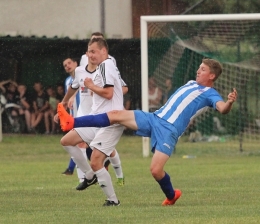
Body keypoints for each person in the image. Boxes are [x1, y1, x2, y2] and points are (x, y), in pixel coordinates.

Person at [57, 58, 238, 206]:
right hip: (154, 118)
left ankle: (171, 195)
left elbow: (222, 108)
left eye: (203, 69)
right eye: (199, 67)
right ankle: (72, 121)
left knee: (155, 170)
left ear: (212, 75)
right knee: (115, 114)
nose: (198, 70)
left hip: (169, 131)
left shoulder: (211, 93)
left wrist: (229, 102)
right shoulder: (191, 83)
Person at [56, 38, 127, 206]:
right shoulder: (92, 71)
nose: (90, 55)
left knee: (96, 160)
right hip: (96, 120)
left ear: (104, 51)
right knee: (66, 141)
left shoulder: (107, 65)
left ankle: (113, 200)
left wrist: (91, 86)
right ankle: (90, 175)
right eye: (89, 52)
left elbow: (109, 94)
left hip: (110, 121)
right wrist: (64, 103)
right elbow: (74, 86)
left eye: (94, 51)